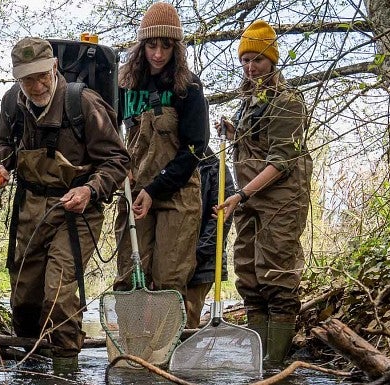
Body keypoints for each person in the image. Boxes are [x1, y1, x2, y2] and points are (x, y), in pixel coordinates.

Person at [0, 36, 129, 372]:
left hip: (76, 211)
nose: (35, 86)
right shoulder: (12, 103)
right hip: (30, 210)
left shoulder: (83, 103)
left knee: (58, 295)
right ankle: (30, 370)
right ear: (16, 78)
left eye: (41, 76)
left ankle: (65, 370)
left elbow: (117, 160)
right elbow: (6, 145)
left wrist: (90, 191)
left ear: (54, 67)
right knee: (24, 300)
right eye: (26, 79)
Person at [213, 20, 313, 368]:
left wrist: (240, 195)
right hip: (250, 200)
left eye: (257, 59)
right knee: (249, 275)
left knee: (277, 276)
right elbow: (255, 143)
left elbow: (282, 161)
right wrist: (232, 130)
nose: (250, 67)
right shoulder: (249, 100)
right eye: (245, 60)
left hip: (280, 200)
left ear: (272, 60)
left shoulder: (288, 101)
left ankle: (276, 362)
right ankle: (259, 361)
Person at [111, 2, 211, 330]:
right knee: (130, 274)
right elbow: (114, 133)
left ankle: (163, 356)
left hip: (178, 195)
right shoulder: (125, 86)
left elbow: (194, 150)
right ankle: (131, 350)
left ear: (175, 48)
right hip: (135, 189)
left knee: (168, 280)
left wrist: (156, 190)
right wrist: (120, 165)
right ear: (141, 47)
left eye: (165, 45)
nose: (157, 53)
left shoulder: (189, 89)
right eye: (151, 45)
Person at [185, 148, 234, 329]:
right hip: (173, 260)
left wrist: (196, 256)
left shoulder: (216, 169)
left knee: (187, 319)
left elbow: (220, 224)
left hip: (202, 263)